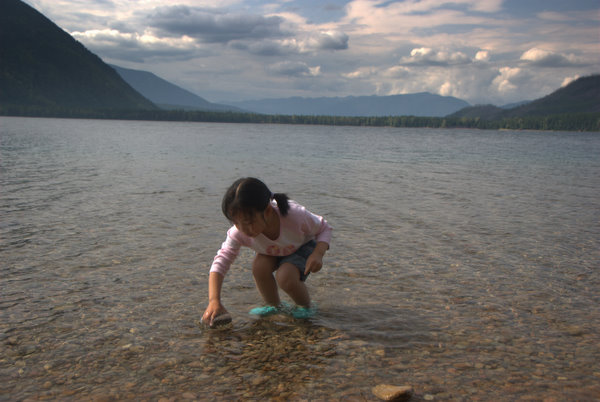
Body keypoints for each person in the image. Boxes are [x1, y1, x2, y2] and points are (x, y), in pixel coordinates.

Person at [202, 177, 332, 327]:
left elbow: (324, 228)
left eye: (249, 223)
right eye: (236, 223)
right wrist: (214, 301)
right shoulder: (240, 231)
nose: (244, 229)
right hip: (273, 250)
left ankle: (306, 307)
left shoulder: (294, 215)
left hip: (302, 245)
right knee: (259, 267)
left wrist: (318, 254)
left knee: (285, 277)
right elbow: (221, 261)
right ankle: (273, 305)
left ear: (268, 211)